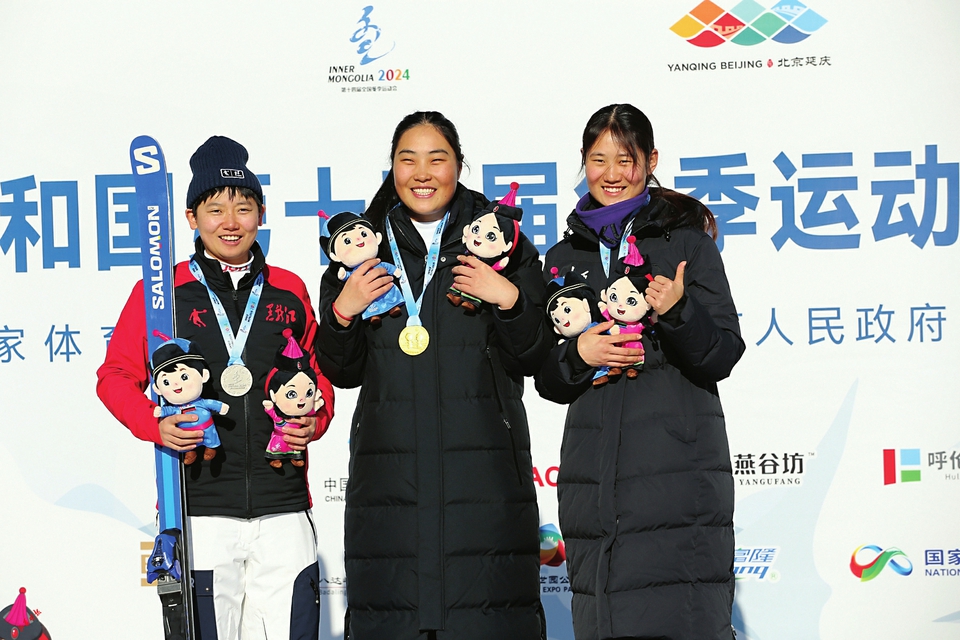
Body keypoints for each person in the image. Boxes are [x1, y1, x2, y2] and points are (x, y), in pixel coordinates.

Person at [316, 111, 552, 640]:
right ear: (392, 168)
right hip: (389, 483)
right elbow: (341, 370)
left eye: (436, 159)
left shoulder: (499, 240)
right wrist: (343, 312)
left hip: (485, 483)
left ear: (459, 165)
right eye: (408, 160)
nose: (422, 173)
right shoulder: (361, 246)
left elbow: (534, 355)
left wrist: (508, 299)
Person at [96, 136, 335, 640]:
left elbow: (318, 377)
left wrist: (315, 420)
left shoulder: (289, 288)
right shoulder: (162, 293)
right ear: (191, 217)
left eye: (243, 208)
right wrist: (155, 425)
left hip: (283, 506)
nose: (231, 222)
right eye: (215, 209)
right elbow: (115, 376)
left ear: (261, 214)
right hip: (200, 509)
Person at [536, 104, 745, 640]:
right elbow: (547, 377)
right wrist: (580, 355)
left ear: (651, 161)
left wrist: (677, 310)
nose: (611, 174)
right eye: (598, 159)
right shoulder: (562, 257)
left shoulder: (686, 244)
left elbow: (722, 353)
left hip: (675, 477)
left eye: (625, 159)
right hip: (591, 480)